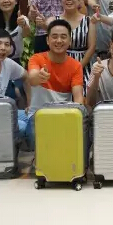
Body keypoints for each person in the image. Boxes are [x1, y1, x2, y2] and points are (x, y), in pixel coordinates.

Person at [19, 19, 85, 150]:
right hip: (38, 114)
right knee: (31, 135)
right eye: (54, 37)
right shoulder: (37, 58)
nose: (59, 40)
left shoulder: (76, 65)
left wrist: (77, 117)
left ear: (70, 41)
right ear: (47, 40)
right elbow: (32, 78)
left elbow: (78, 97)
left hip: (63, 115)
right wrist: (39, 77)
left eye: (63, 37)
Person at [45, 0, 96, 97]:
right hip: (59, 63)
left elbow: (92, 47)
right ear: (61, 0)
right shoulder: (54, 20)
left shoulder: (88, 21)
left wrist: (77, 67)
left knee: (84, 95)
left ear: (79, 0)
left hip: (83, 64)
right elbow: (48, 31)